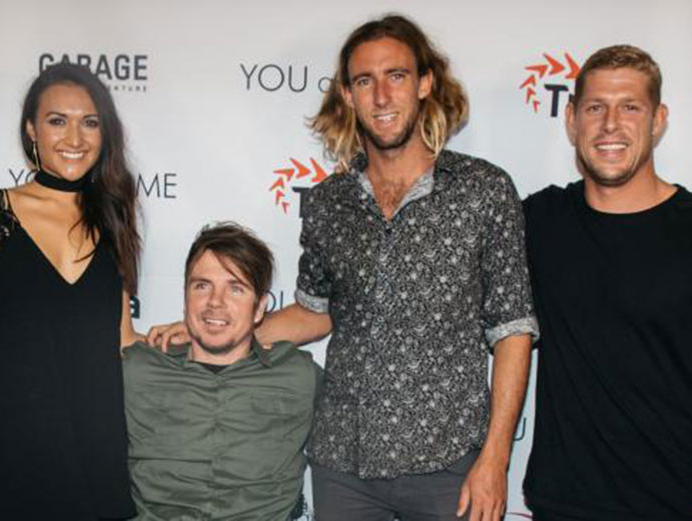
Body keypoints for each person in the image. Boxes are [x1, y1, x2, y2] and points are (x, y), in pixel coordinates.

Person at [151, 14, 538, 521]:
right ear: (348, 95)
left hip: (451, 464)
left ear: (424, 83)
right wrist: (216, 330)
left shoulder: (483, 190)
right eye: (364, 80)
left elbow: (512, 329)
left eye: (396, 76)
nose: (381, 96)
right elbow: (316, 313)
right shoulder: (327, 202)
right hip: (342, 466)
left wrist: (496, 458)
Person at [522, 45, 692, 521]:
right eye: (595, 107)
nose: (611, 124)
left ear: (658, 120)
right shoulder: (538, 221)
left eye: (630, 107)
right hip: (560, 505)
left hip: (673, 506)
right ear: (571, 120)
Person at [0, 63, 141, 520]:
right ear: (32, 130)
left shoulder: (115, 217)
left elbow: (121, 341)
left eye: (89, 122)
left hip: (91, 444)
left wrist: (187, 336)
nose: (74, 137)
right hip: (1, 437)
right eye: (57, 120)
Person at [123, 223, 320, 520]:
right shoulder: (137, 371)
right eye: (202, 286)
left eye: (235, 288)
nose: (215, 302)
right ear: (186, 296)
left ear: (259, 309)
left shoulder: (298, 375)